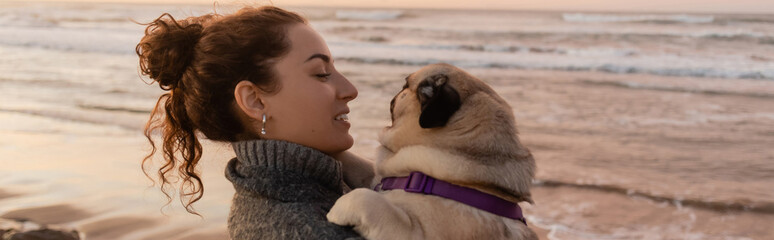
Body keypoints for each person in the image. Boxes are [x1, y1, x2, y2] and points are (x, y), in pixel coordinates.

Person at [135, 6, 374, 239]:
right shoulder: (297, 227)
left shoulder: (294, 190)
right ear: (255, 100)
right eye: (321, 73)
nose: (350, 90)